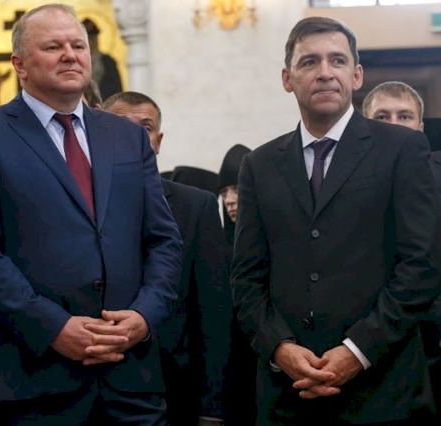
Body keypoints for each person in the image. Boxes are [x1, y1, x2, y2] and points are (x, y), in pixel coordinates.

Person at [0, 4, 182, 425]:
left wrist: (144, 316)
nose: (70, 55)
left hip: (130, 376)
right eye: (53, 47)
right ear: (19, 64)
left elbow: (163, 240)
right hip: (33, 379)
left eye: (78, 46)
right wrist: (52, 327)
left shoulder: (128, 137)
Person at [231, 16, 439, 425]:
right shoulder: (259, 165)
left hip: (382, 391)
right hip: (287, 395)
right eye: (309, 62)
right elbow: (246, 278)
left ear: (356, 75)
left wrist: (356, 351)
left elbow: (421, 266)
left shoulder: (402, 149)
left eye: (337, 60)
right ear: (287, 79)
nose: (325, 72)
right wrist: (280, 348)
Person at [103, 91, 231, 426]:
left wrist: (212, 408)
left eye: (145, 127)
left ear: (158, 141)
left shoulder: (196, 207)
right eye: (121, 125)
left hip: (174, 388)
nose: (133, 135)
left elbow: (213, 313)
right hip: (93, 384)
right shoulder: (72, 201)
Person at [362, 80, 441, 424]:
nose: (394, 125)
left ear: (420, 128)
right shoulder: (337, 180)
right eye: (382, 116)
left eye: (404, 116)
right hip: (370, 346)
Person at [215, 144, 257, 426]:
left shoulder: (279, 243)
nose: (230, 200)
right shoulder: (216, 248)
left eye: (237, 189)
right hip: (228, 376)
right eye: (223, 192)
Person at [82, 18, 123, 101]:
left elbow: (117, 89)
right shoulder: (75, 60)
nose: (91, 42)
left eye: (93, 38)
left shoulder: (108, 61)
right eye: (88, 39)